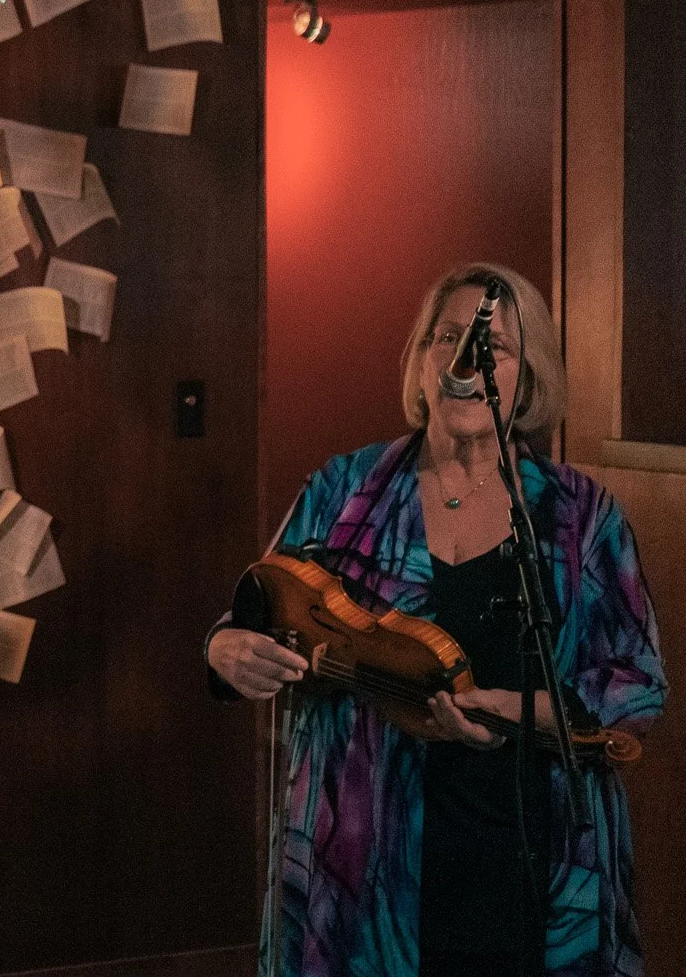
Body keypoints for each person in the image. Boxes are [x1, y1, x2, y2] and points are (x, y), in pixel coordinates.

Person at [207, 262, 665, 977]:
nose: (463, 362)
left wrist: (517, 710)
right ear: (422, 363)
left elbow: (635, 685)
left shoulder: (585, 517)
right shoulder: (344, 489)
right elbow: (259, 606)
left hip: (533, 865)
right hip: (363, 873)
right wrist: (225, 647)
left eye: (490, 348)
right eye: (448, 338)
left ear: (530, 377)